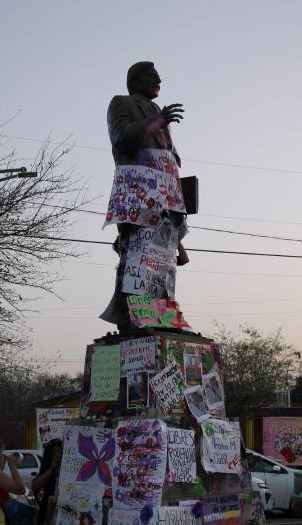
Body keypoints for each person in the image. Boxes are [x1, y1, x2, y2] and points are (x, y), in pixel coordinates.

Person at [100, 61, 189, 331]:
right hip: (137, 193)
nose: (158, 79)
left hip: (165, 196)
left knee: (162, 258)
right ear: (134, 81)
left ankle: (160, 315)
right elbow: (122, 139)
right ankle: (131, 317)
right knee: (137, 254)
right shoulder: (121, 103)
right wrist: (157, 122)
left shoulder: (156, 112)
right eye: (151, 75)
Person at [31, 439, 63, 525]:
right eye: (55, 454)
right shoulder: (48, 468)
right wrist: (51, 469)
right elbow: (35, 487)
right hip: (48, 512)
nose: (58, 457)